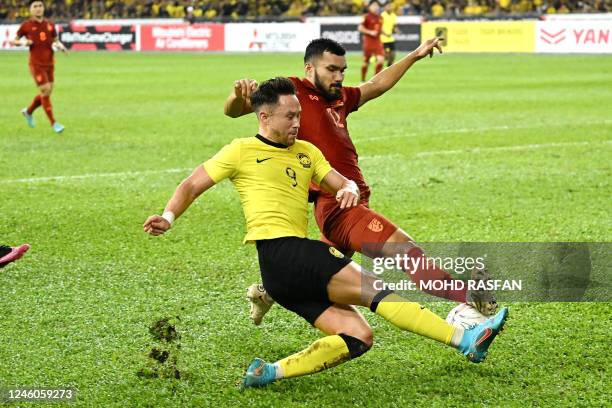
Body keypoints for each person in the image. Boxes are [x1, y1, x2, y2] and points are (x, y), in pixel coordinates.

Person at [145, 77, 509, 388]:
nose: (296, 123)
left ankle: (268, 372)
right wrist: (169, 216)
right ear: (264, 116)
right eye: (290, 116)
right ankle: (465, 339)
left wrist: (348, 188)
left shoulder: (306, 151)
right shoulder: (241, 151)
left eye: (299, 115)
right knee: (375, 291)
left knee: (358, 337)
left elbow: (338, 180)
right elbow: (192, 184)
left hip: (282, 275)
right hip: (285, 253)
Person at [224, 37, 498, 326]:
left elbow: (375, 85)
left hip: (349, 201)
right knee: (406, 252)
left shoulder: (339, 97)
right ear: (309, 69)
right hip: (338, 206)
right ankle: (468, 296)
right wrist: (236, 96)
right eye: (332, 69)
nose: (339, 77)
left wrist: (415, 55)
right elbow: (235, 110)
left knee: (316, 276)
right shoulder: (291, 94)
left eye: (343, 70)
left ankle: (267, 293)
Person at [10, 0, 66, 134]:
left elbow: (55, 40)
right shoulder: (26, 26)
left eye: (40, 6)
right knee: (46, 90)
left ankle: (28, 112)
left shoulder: (50, 25)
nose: (38, 8)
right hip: (36, 64)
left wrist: (60, 45)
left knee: (46, 92)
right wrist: (24, 42)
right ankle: (54, 123)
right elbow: (13, 41)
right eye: (35, 6)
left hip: (50, 63)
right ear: (30, 10)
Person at [358, 0, 385, 82]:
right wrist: (370, 32)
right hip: (368, 42)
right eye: (373, 5)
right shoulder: (366, 16)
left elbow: (379, 29)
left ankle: (375, 80)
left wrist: (386, 33)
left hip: (377, 42)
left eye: (377, 5)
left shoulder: (380, 18)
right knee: (366, 62)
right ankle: (362, 80)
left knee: (381, 60)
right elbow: (360, 28)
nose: (375, 7)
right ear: (369, 7)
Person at [381, 1, 399, 67]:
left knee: (393, 54)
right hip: (382, 39)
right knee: (386, 56)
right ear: (385, 7)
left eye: (391, 6)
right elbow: (379, 27)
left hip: (390, 38)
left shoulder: (393, 15)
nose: (390, 7)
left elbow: (394, 26)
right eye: (388, 6)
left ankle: (388, 67)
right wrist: (385, 33)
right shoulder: (382, 15)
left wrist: (397, 30)